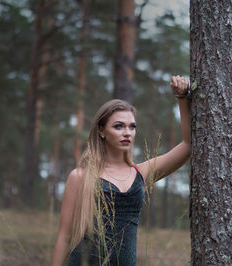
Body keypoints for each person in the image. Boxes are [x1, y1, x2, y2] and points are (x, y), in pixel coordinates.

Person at [50, 75, 190, 266]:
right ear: (101, 131)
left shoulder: (141, 173)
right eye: (118, 126)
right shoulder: (81, 177)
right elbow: (65, 237)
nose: (127, 132)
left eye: (132, 127)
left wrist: (181, 98)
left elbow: (189, 145)